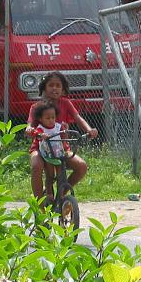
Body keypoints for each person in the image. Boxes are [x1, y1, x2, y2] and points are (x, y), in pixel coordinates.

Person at [26, 71, 98, 202]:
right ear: (44, 88)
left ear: (63, 90)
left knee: (81, 166)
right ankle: (40, 206)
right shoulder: (36, 107)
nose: (54, 88)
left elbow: (77, 117)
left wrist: (89, 129)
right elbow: (30, 124)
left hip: (61, 148)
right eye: (51, 85)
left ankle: (61, 195)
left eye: (58, 86)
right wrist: (29, 128)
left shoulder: (66, 103)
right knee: (36, 166)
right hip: (41, 148)